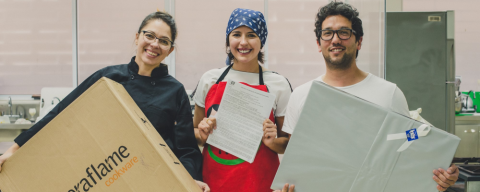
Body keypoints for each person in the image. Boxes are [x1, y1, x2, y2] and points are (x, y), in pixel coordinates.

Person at [0, 11, 210, 192]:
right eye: (150, 35)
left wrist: (189, 180)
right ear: (137, 37)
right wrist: (14, 150)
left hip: (150, 180)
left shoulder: (175, 91)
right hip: (101, 173)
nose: (155, 44)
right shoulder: (108, 78)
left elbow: (186, 149)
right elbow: (61, 114)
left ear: (170, 50)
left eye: (164, 41)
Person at [275, 2, 459, 192]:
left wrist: (442, 175)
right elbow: (298, 160)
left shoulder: (389, 93)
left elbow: (407, 149)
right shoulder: (302, 95)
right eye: (327, 33)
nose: (335, 39)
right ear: (319, 44)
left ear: (359, 41)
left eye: (344, 32)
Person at [192, 8, 292, 192]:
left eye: (251, 35)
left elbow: (289, 144)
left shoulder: (278, 84)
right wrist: (202, 134)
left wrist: (271, 141)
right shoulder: (210, 79)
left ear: (261, 41)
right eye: (236, 34)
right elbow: (193, 133)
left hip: (260, 184)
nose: (243, 42)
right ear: (228, 40)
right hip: (213, 183)